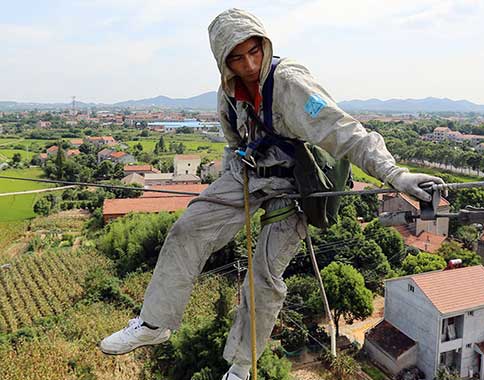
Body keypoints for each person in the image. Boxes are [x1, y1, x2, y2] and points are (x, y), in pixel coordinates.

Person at [99, 8, 445, 380]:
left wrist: (395, 174)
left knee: (263, 274)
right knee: (187, 229)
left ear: (265, 46)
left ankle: (243, 363)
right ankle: (155, 323)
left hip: (294, 187)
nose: (248, 64)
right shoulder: (228, 92)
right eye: (236, 57)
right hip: (248, 175)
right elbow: (234, 144)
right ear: (223, 61)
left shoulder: (290, 84)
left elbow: (345, 132)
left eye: (254, 52)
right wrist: (229, 186)